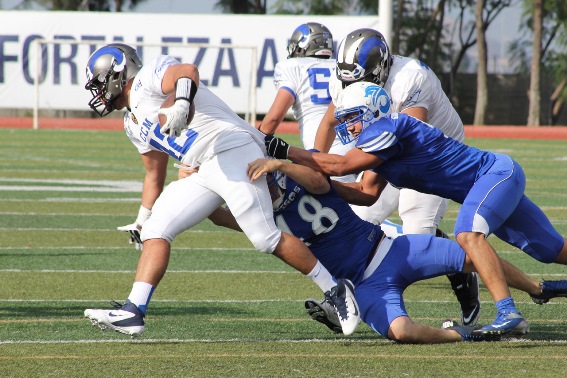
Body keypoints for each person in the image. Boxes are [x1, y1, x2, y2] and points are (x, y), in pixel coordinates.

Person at [81, 43, 359, 337]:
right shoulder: (131, 123)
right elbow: (154, 172)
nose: (98, 93)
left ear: (117, 74)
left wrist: (182, 104)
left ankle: (336, 290)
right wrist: (141, 217)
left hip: (233, 148)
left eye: (98, 84)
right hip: (204, 167)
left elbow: (187, 72)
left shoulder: (149, 77)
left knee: (264, 237)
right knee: (156, 228)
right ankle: (133, 311)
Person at [263, 81, 567, 336]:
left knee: (467, 236)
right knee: (551, 250)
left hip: (494, 175)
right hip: (488, 184)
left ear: (373, 111)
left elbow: (341, 164)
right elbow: (366, 193)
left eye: (352, 117)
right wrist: (321, 188)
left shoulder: (388, 127)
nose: (348, 126)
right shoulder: (383, 147)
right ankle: (541, 291)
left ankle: (508, 313)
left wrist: (284, 151)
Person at [212, 157, 567, 343]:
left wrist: (279, 164)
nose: (270, 187)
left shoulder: (300, 178)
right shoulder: (262, 218)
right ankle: (464, 333)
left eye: (270, 178)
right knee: (402, 332)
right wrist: (202, 181)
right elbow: (220, 217)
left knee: (473, 258)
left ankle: (540, 289)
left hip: (391, 247)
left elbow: (320, 181)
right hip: (364, 285)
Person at [314, 27, 480, 327]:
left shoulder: (410, 78)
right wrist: (315, 158)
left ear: (380, 69)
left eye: (362, 80)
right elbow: (328, 122)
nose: (355, 87)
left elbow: (406, 140)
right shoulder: (345, 80)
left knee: (418, 235)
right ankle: (347, 298)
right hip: (383, 147)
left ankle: (463, 272)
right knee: (355, 219)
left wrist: (346, 168)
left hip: (429, 154)